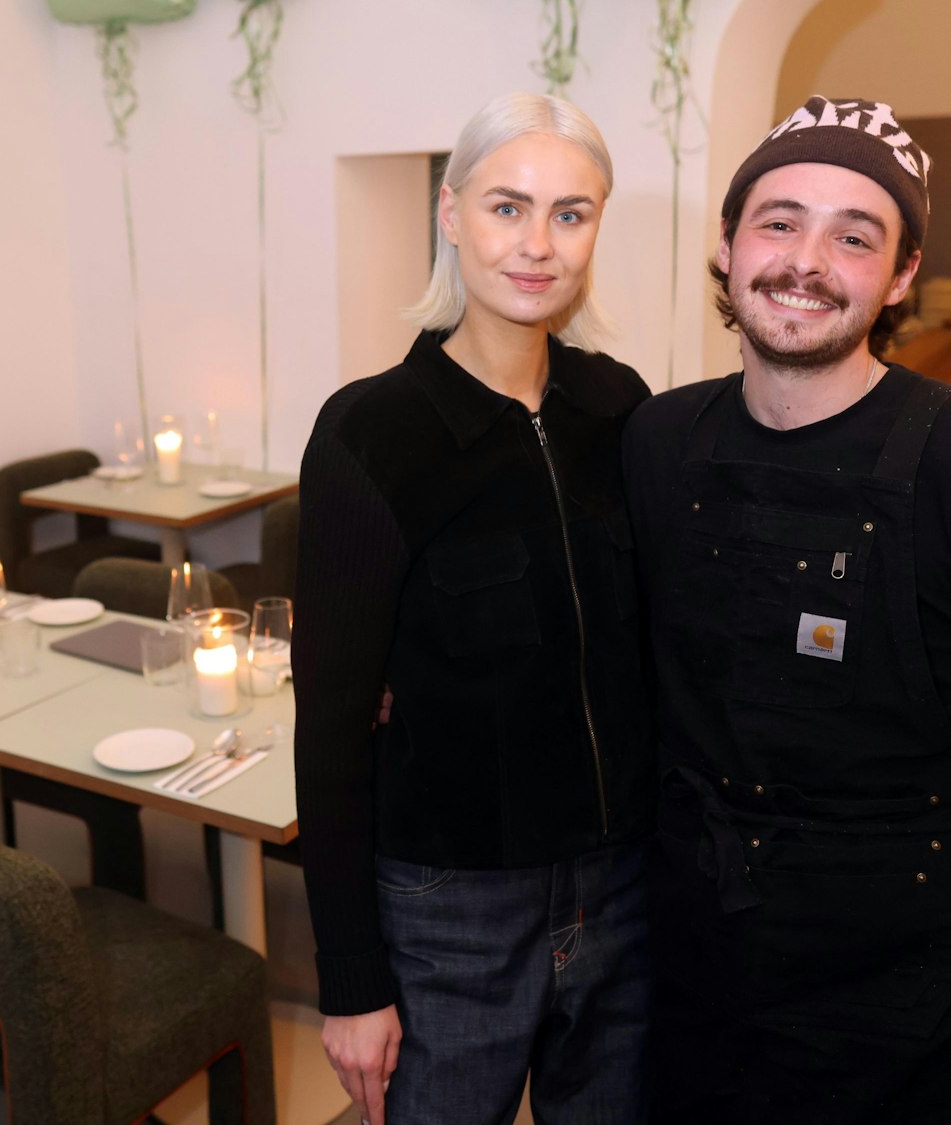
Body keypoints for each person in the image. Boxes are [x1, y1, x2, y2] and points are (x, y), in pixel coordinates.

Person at [624, 96, 951, 1122]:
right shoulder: (656, 440)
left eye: (852, 236)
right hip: (696, 961)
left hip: (908, 986)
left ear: (899, 276)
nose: (804, 261)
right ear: (725, 248)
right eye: (777, 222)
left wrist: (907, 819)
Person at [293, 91, 654, 1125]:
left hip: (622, 884)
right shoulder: (371, 435)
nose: (536, 244)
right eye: (507, 207)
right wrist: (351, 979)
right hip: (450, 907)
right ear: (449, 215)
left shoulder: (617, 408)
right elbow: (327, 728)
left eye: (569, 213)